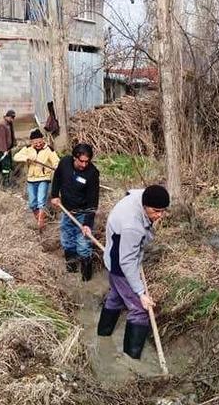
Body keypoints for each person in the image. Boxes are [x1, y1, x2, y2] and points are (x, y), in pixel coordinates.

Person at [97, 185, 170, 360]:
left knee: (116, 295)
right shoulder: (132, 226)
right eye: (156, 211)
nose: (159, 215)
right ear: (144, 206)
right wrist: (141, 293)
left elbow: (130, 191)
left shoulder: (142, 196)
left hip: (118, 250)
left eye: (163, 211)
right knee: (139, 309)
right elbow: (127, 262)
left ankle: (103, 334)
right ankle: (131, 359)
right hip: (120, 263)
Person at [50, 143, 100, 281]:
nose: (84, 165)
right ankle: (71, 270)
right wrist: (54, 195)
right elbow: (57, 177)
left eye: (87, 161)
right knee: (67, 241)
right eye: (81, 161)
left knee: (83, 246)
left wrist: (87, 224)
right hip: (67, 211)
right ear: (74, 158)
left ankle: (86, 278)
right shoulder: (65, 162)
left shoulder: (92, 174)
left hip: (83, 213)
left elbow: (93, 202)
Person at [13, 129, 59, 231]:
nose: (38, 144)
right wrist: (27, 158)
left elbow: (56, 162)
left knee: (41, 201)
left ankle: (40, 222)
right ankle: (40, 218)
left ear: (43, 140)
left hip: (44, 178)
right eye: (35, 143)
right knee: (32, 203)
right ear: (31, 142)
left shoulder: (49, 150)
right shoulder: (28, 149)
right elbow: (16, 157)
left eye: (40, 142)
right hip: (31, 179)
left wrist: (57, 168)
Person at [0, 110, 16, 187]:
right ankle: (5, 182)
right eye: (12, 117)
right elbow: (2, 139)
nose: (13, 119)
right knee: (6, 165)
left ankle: (8, 180)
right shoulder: (1, 125)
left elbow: (12, 134)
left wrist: (13, 143)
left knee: (9, 164)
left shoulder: (9, 123)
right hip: (3, 149)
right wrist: (4, 151)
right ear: (7, 116)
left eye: (14, 117)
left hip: (8, 148)